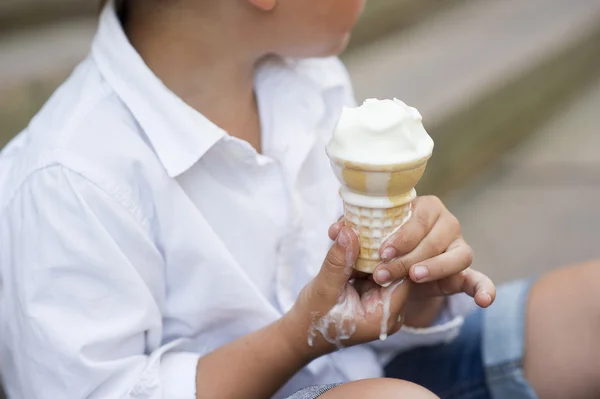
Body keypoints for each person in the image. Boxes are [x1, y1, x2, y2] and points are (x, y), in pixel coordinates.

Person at [0, 0, 597, 398]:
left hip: (363, 370)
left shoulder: (308, 83)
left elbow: (357, 305)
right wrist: (300, 336)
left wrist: (409, 289)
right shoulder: (69, 177)